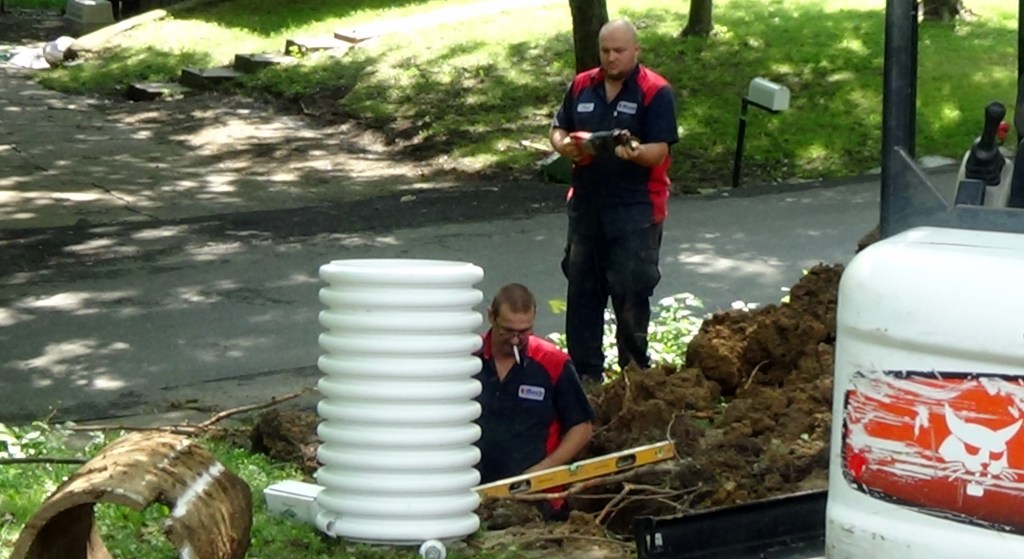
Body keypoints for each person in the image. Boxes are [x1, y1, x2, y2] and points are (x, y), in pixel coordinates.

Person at [549, 19, 680, 383]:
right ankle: (585, 376)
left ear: (636, 50)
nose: (611, 58)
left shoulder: (655, 91)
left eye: (619, 51)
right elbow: (559, 126)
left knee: (631, 290)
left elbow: (659, 151)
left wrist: (635, 152)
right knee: (582, 291)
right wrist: (563, 145)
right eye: (605, 51)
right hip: (587, 206)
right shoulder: (581, 85)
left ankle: (633, 376)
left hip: (636, 209)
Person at [474, 283, 594, 497]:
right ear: (491, 317)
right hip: (474, 489)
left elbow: (581, 427)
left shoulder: (552, 362)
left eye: (524, 332)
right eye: (507, 330)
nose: (515, 340)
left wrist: (542, 470)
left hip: (535, 495)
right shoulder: (467, 361)